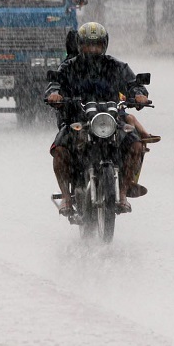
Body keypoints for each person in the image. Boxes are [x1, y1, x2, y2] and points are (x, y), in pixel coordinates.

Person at [46, 22, 149, 215]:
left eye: (97, 44)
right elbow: (55, 84)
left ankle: (124, 192)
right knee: (59, 150)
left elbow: (134, 84)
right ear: (79, 45)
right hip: (77, 120)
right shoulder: (69, 67)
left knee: (136, 145)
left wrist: (139, 94)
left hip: (110, 119)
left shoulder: (116, 66)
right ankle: (66, 199)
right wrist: (55, 94)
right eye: (87, 44)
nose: (93, 49)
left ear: (104, 45)